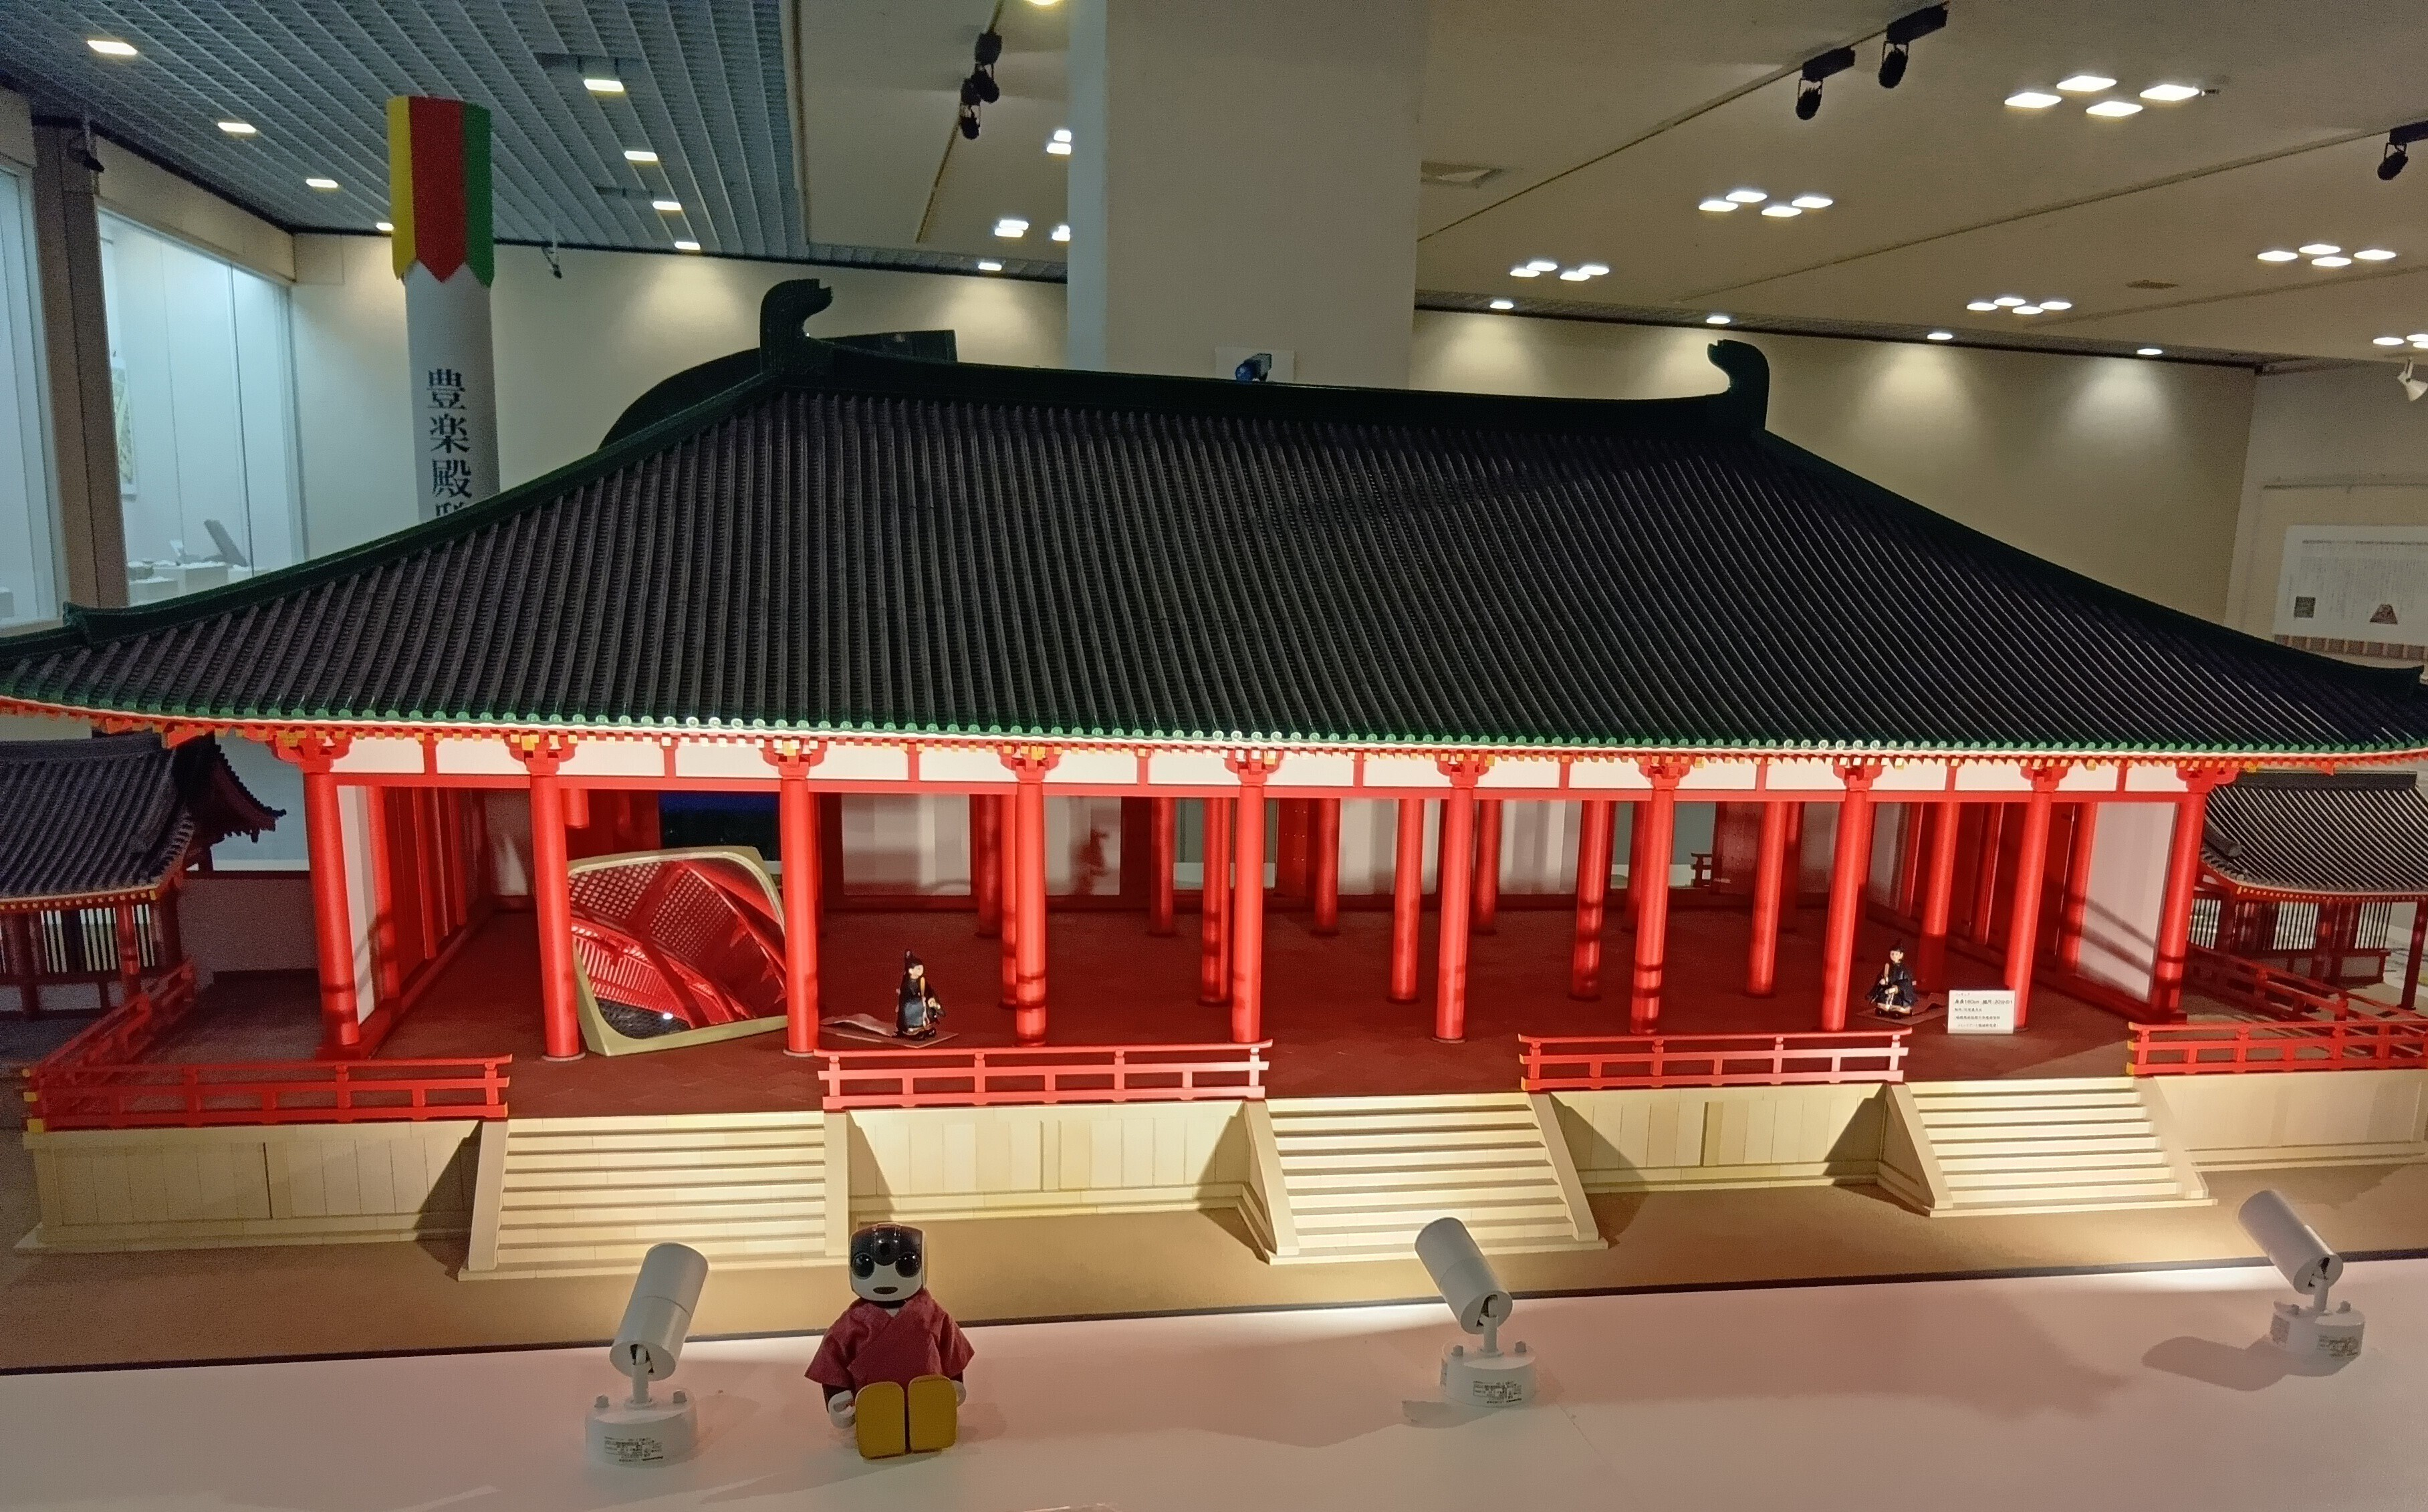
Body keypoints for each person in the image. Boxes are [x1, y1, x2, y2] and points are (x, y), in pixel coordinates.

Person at [809, 1224, 974, 1458]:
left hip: (926, 1391)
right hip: (875, 1397)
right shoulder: (854, 1321)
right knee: (882, 1427)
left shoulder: (928, 1312)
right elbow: (833, 1356)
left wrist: (954, 1380)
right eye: (865, 1265)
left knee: (927, 1424)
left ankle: (930, 1429)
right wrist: (837, 1393)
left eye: (906, 1264)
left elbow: (951, 1347)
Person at [895, 951, 945, 1039]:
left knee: (928, 1011)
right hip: (912, 1009)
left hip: (923, 1004)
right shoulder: (908, 985)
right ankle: (913, 1032)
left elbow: (928, 991)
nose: (921, 970)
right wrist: (919, 999)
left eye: (921, 968)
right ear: (911, 971)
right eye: (918, 968)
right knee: (916, 1012)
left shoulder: (922, 981)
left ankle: (926, 1028)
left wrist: (931, 999)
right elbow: (907, 1000)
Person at [1868, 944, 1924, 1018]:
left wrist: (1897, 988)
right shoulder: (1888, 966)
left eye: (1896, 954)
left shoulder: (1904, 969)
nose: (1894, 956)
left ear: (1901, 955)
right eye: (1892, 954)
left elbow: (1907, 982)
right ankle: (1884, 1007)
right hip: (1888, 988)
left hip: (1899, 991)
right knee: (1883, 995)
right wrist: (1882, 980)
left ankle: (1900, 1009)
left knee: (1898, 1000)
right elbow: (1882, 975)